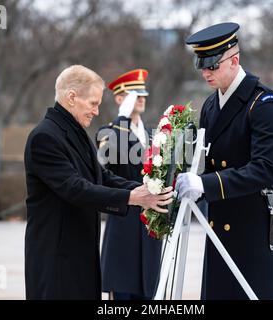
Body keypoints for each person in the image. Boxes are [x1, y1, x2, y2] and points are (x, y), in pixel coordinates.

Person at [23, 65, 173, 300]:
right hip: (57, 263)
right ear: (71, 97)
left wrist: (143, 190)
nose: (96, 111)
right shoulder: (45, 137)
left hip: (79, 257)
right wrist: (132, 198)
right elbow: (75, 188)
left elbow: (101, 177)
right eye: (93, 103)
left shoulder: (75, 131)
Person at [176, 22, 273, 299]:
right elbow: (206, 161)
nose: (206, 72)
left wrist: (205, 185)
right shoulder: (210, 105)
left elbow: (266, 169)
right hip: (219, 222)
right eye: (202, 66)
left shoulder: (263, 103)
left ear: (234, 60)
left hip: (252, 225)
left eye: (212, 65)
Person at [96, 69, 162, 300]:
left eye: (143, 94)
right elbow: (105, 163)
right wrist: (121, 120)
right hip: (124, 226)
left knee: (149, 294)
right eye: (135, 95)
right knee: (123, 297)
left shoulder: (152, 135)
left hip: (149, 227)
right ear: (119, 99)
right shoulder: (109, 132)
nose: (142, 98)